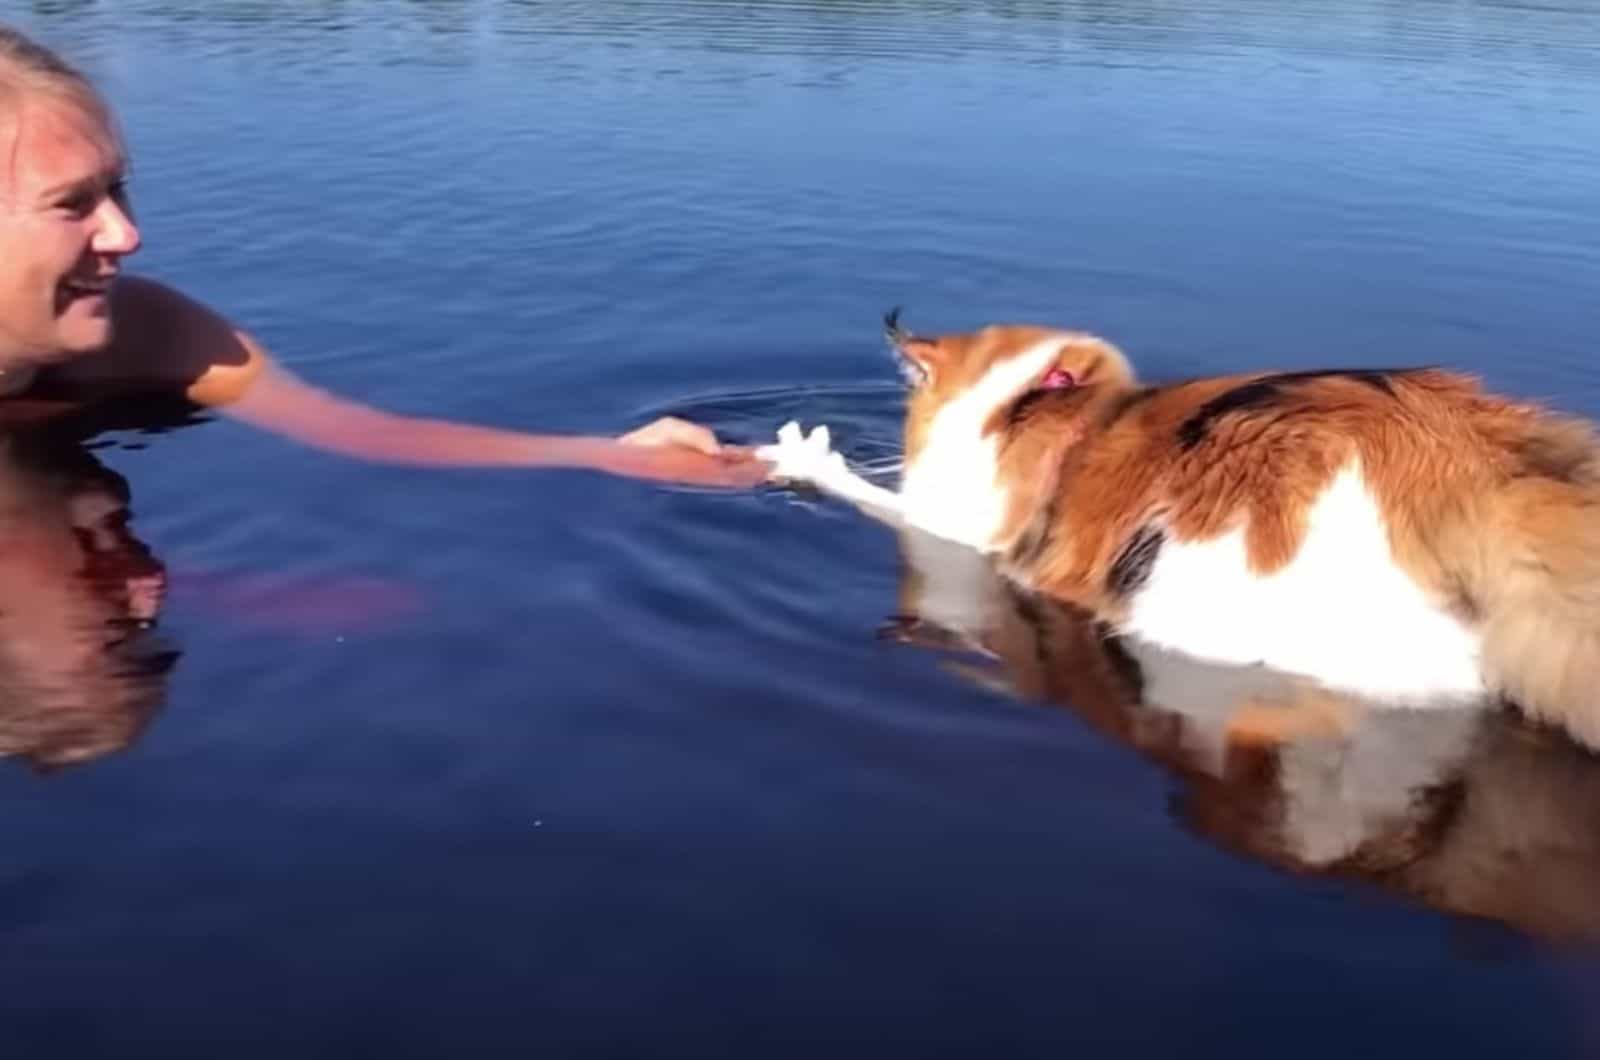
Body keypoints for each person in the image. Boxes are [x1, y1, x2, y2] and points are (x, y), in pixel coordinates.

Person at [0, 24, 768, 487]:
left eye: (117, 191)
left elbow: (362, 433)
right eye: (74, 205)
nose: (126, 235)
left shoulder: (152, 331)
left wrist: (610, 455)